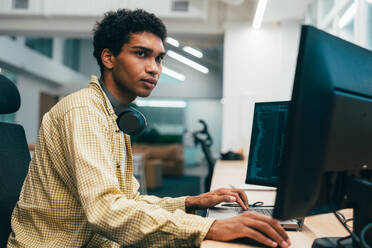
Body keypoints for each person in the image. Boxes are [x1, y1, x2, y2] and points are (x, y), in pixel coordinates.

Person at [7, 9, 291, 248]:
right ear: (108, 58)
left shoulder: (116, 116)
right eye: (141, 54)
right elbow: (106, 212)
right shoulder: (83, 112)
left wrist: (192, 201)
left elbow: (129, 201)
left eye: (159, 58)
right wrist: (209, 228)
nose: (154, 68)